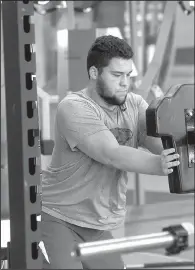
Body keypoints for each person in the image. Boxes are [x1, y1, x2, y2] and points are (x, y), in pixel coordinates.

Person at [40, 35, 180, 269]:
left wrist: (184, 143)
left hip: (98, 225)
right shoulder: (74, 107)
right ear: (94, 73)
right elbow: (110, 153)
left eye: (128, 75)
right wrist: (158, 165)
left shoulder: (134, 105)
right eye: (117, 75)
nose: (125, 82)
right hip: (59, 217)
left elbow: (163, 145)